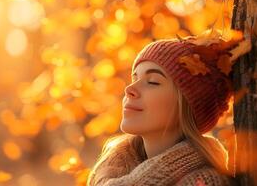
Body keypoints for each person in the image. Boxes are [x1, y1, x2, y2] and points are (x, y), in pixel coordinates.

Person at [86, 34, 238, 186]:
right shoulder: (108, 173)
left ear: (186, 106)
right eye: (134, 78)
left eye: (152, 82)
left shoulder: (205, 183)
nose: (129, 89)